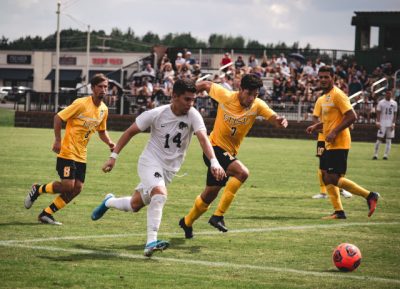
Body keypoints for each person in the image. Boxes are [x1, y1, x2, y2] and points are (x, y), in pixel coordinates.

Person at [91, 79, 225, 257]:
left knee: (135, 204)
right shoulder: (156, 114)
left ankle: (109, 201)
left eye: (193, 100)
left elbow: (203, 138)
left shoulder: (193, 115)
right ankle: (151, 242)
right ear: (174, 96)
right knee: (160, 194)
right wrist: (113, 157)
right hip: (150, 162)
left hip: (169, 170)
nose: (190, 104)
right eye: (187, 99)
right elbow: (130, 132)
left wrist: (214, 161)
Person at [179, 74, 288, 239]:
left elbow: (272, 117)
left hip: (228, 154)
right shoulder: (226, 96)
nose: (252, 98)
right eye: (249, 93)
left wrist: (279, 120)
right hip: (213, 148)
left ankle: (187, 222)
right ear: (240, 89)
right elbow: (207, 85)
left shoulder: (257, 105)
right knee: (242, 172)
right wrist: (188, 96)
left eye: (255, 95)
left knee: (209, 195)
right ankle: (218, 216)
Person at [24, 73, 115, 225]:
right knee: (68, 185)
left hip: (81, 154)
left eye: (106, 87)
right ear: (92, 88)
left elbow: (101, 131)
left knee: (77, 188)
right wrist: (58, 140)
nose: (103, 90)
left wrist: (110, 143)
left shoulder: (104, 110)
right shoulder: (81, 103)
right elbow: (58, 117)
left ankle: (46, 214)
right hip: (67, 151)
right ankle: (37, 189)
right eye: (100, 87)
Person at [306, 66, 379, 219]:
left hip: (339, 142)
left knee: (332, 177)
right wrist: (316, 126)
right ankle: (338, 211)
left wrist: (334, 132)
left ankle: (370, 195)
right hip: (328, 142)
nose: (323, 80)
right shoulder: (325, 97)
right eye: (321, 77)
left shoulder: (338, 95)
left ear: (333, 78)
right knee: (325, 176)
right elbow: (330, 121)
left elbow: (352, 116)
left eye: (326, 77)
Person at [311, 132, 352, 199]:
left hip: (336, 140)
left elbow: (350, 126)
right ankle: (323, 192)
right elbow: (317, 125)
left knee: (339, 166)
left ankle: (340, 189)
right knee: (322, 166)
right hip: (322, 141)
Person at [373, 89, 398, 160]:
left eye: (390, 94)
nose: (389, 95)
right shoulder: (381, 103)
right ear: (385, 94)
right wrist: (378, 122)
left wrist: (393, 123)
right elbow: (378, 112)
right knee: (379, 139)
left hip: (390, 124)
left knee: (388, 140)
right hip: (382, 123)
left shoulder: (394, 103)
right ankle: (375, 154)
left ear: (392, 94)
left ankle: (385, 155)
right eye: (387, 94)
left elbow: (395, 114)